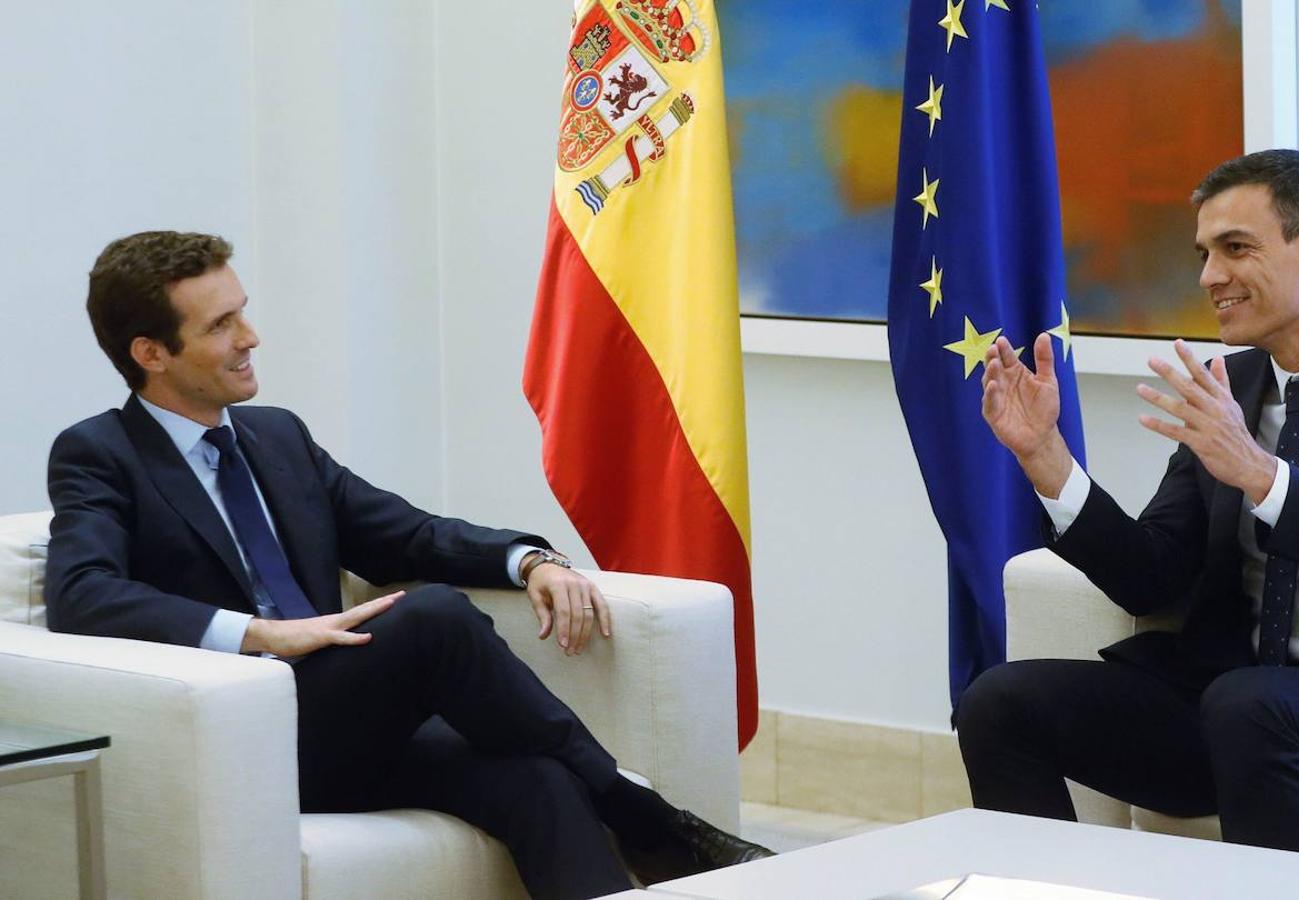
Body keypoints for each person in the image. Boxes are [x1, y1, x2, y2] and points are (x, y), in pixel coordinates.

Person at [45, 230, 772, 899]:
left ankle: (627, 817)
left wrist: (531, 562)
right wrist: (263, 636)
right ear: (151, 353)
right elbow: (81, 594)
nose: (250, 337)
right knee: (430, 616)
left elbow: (408, 536)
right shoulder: (101, 454)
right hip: (248, 729)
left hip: (347, 717)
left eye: (243, 312)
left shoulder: (275, 437)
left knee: (539, 780)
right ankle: (640, 812)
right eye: (220, 325)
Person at [957, 149, 1299, 852]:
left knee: (1252, 705)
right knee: (1000, 702)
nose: (1208, 277)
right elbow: (1150, 577)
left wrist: (1261, 475)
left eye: (1234, 248)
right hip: (1243, 711)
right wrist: (1045, 457)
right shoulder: (1230, 384)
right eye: (1202, 254)